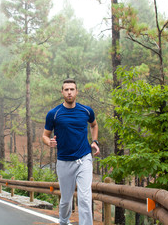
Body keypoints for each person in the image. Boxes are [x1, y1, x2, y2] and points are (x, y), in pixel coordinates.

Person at [42, 78, 100, 225]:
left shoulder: (86, 111)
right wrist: (49, 142)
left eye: (72, 89)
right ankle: (63, 222)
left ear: (76, 92)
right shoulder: (54, 114)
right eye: (66, 90)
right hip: (64, 161)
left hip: (84, 158)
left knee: (85, 198)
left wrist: (94, 141)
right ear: (62, 92)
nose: (69, 92)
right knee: (66, 201)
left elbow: (94, 125)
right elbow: (45, 135)